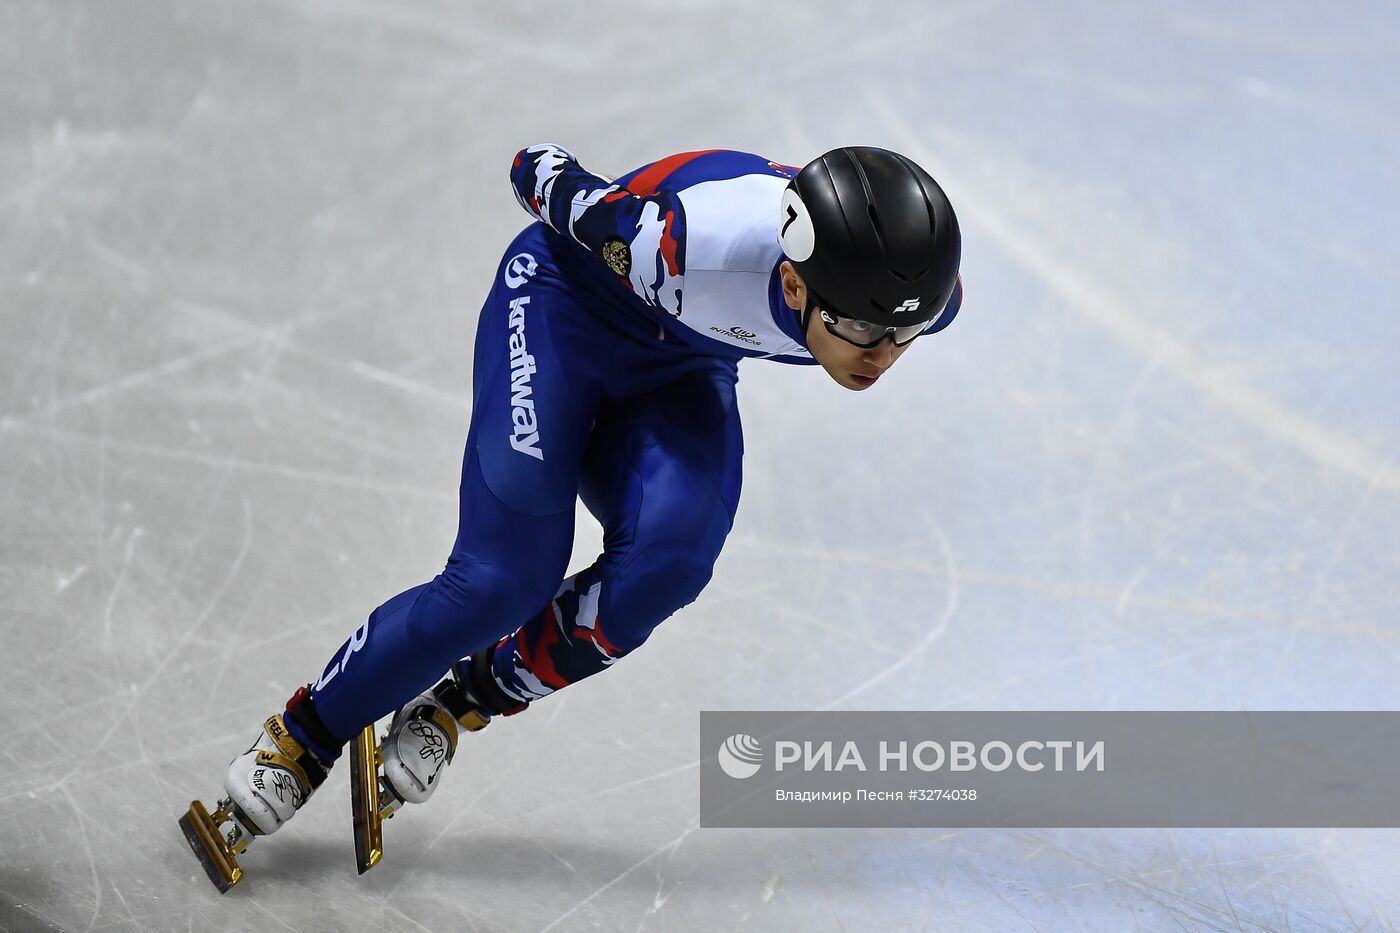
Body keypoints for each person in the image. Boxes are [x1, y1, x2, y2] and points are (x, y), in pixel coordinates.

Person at [179, 143, 963, 888]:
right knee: (504, 577)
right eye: (861, 328)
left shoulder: (916, 291)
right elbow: (537, 168)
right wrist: (588, 197)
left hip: (681, 364)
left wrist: (891, 317)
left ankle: (466, 699)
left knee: (671, 564)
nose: (883, 352)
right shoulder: (685, 244)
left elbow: (894, 307)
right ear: (793, 286)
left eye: (906, 332)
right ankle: (304, 737)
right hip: (563, 309)